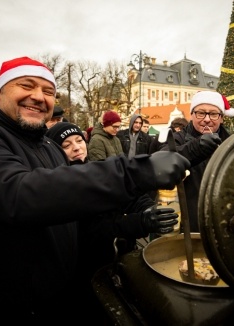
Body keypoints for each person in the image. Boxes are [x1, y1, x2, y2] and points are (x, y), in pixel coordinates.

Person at [0, 56, 190, 324]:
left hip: (58, 302)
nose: (39, 97)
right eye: (27, 85)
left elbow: (82, 219)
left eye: (48, 91)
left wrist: (139, 220)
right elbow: (19, 195)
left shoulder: (50, 149)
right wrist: (136, 172)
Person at [45, 122, 178, 321]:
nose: (76, 147)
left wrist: (148, 208)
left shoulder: (94, 170)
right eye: (66, 145)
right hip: (82, 273)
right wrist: (140, 222)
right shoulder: (58, 185)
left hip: (114, 260)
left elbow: (128, 195)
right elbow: (93, 229)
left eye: (79, 140)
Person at [160, 91, 234, 233]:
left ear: (222, 118)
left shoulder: (230, 143)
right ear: (192, 115)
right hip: (190, 221)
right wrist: (196, 147)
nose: (207, 119)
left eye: (213, 114)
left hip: (223, 222)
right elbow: (162, 161)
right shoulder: (177, 139)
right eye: (201, 113)